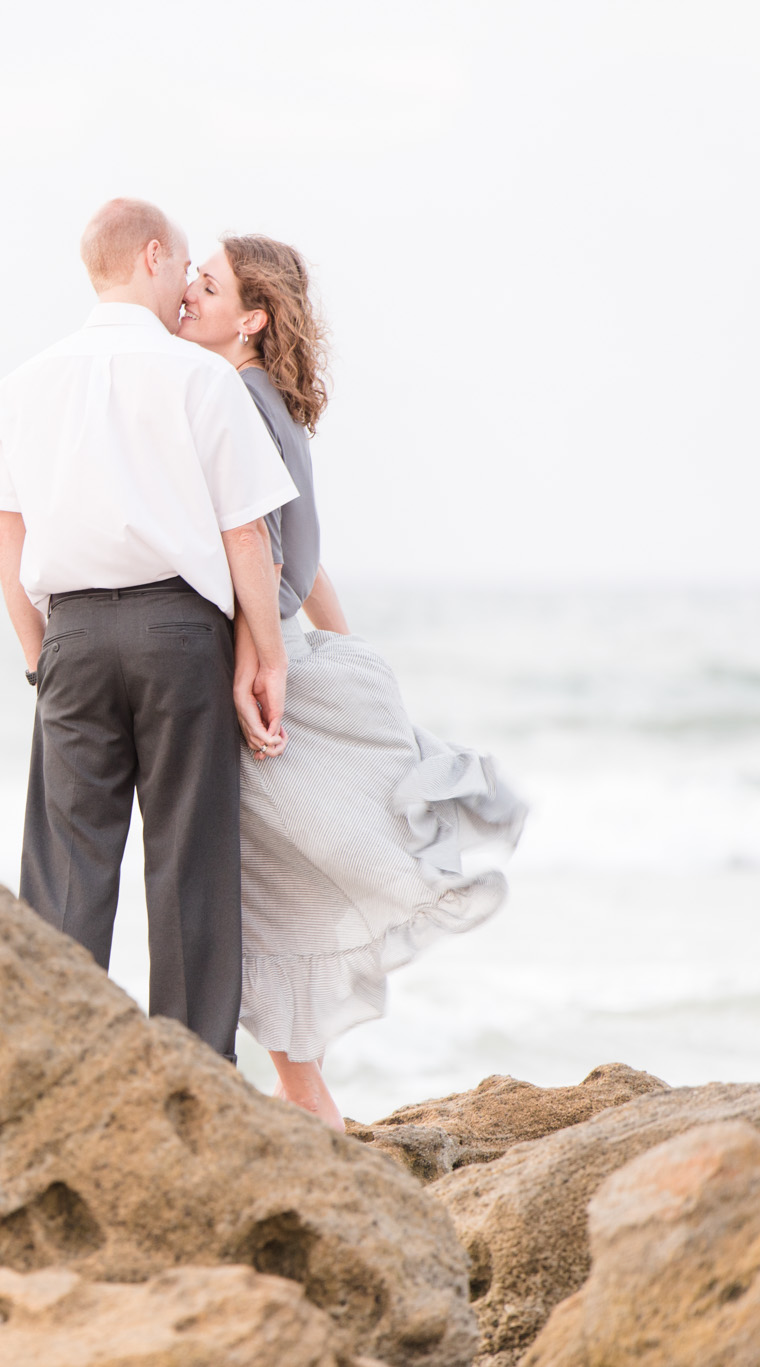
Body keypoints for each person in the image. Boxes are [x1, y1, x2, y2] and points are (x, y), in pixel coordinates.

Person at [176, 235, 527, 1127]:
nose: (187, 290)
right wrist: (344, 654)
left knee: (266, 887)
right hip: (284, 650)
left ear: (250, 318)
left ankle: (306, 1101)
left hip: (256, 660)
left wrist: (274, 659)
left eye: (206, 283)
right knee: (281, 882)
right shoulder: (266, 400)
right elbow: (310, 555)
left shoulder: (235, 401)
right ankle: (306, 1095)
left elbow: (261, 549)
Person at [0, 198, 298, 1063]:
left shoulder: (22, 383)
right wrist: (263, 658)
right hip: (181, 634)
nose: (186, 288)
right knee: (190, 867)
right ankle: (195, 1090)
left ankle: (49, 1080)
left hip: (71, 631)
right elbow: (244, 537)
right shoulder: (201, 380)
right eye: (183, 267)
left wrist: (41, 657)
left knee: (66, 876)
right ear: (153, 256)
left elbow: (5, 538)